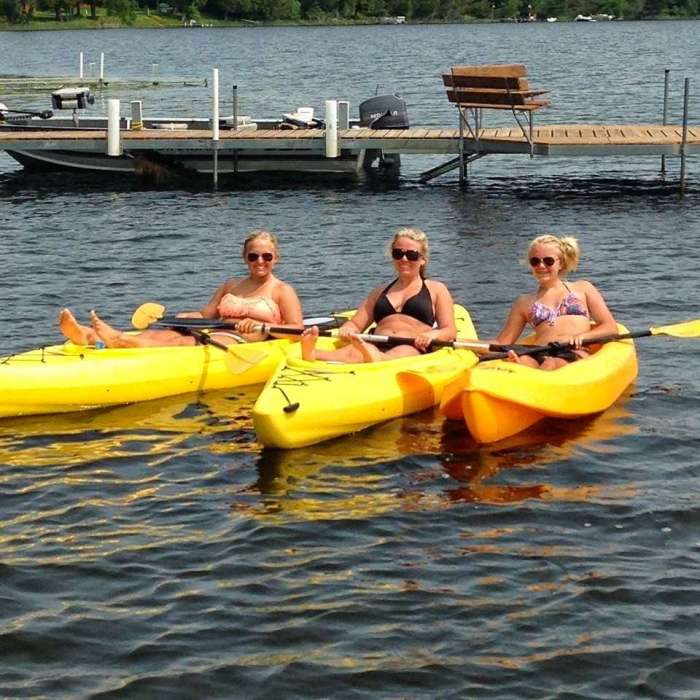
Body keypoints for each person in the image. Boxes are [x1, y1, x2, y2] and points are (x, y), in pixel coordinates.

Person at [58, 230, 303, 348]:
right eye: (253, 256)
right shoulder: (230, 285)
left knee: (182, 342)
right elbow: (206, 315)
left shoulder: (282, 291)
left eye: (266, 256)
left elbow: (297, 330)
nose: (260, 261)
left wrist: (262, 326)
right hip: (215, 329)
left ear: (275, 258)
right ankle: (87, 335)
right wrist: (186, 316)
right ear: (245, 258)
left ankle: (119, 341)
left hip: (240, 340)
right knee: (162, 334)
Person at [301, 228, 456, 363]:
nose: (404, 259)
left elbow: (449, 330)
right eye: (398, 254)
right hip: (376, 342)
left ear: (423, 260)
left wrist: (434, 334)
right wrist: (348, 328)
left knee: (402, 352)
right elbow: (356, 324)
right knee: (355, 351)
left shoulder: (436, 289)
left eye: (411, 255)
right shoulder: (379, 292)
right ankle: (313, 353)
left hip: (411, 346)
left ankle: (376, 358)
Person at [493, 233, 618, 370]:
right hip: (539, 352)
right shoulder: (524, 302)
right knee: (524, 360)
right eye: (535, 261)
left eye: (548, 261)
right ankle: (518, 367)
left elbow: (610, 327)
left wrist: (583, 336)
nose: (541, 265)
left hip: (573, 352)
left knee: (551, 363)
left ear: (561, 263)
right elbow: (501, 342)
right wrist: (473, 345)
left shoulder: (583, 288)